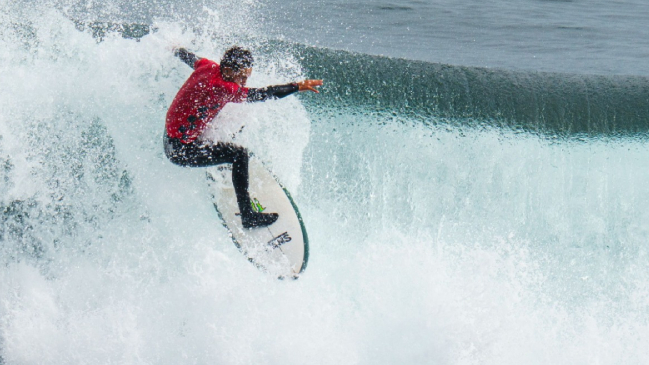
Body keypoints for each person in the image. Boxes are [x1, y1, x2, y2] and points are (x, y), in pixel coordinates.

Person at [164, 46, 323, 229]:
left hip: (172, 134)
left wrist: (175, 48)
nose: (245, 82)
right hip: (180, 150)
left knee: (233, 125)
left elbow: (190, 57)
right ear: (229, 70)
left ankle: (224, 166)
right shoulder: (223, 88)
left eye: (248, 76)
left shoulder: (207, 66)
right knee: (239, 154)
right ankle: (248, 216)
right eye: (242, 77)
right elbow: (263, 94)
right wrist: (296, 86)